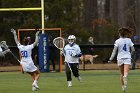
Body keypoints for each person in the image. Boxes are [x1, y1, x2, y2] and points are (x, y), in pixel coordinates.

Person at [108, 27, 135, 92]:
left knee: (121, 74)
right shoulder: (129, 40)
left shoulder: (117, 41)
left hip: (120, 58)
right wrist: (130, 56)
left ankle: (123, 87)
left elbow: (114, 51)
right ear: (125, 33)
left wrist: (110, 59)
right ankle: (125, 77)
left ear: (120, 34)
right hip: (127, 58)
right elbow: (133, 50)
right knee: (125, 73)